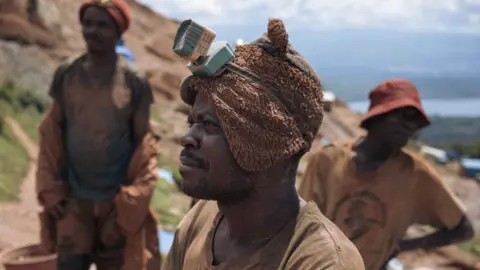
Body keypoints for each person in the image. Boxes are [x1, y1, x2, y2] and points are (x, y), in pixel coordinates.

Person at [163, 19, 364, 270]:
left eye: (211, 125)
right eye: (191, 122)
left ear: (271, 147)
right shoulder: (199, 220)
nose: (188, 137)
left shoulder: (321, 261)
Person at [35, 0, 161, 269]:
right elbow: (51, 133)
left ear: (118, 32)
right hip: (72, 202)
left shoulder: (134, 82)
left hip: (114, 208)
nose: (93, 31)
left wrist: (134, 200)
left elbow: (144, 145)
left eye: (102, 25)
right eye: (88, 23)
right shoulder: (67, 74)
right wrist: (49, 185)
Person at [298, 79, 475, 270]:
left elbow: (463, 230)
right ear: (379, 115)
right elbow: (301, 222)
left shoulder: (416, 175)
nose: (410, 125)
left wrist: (402, 246)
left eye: (415, 121)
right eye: (403, 115)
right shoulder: (328, 160)